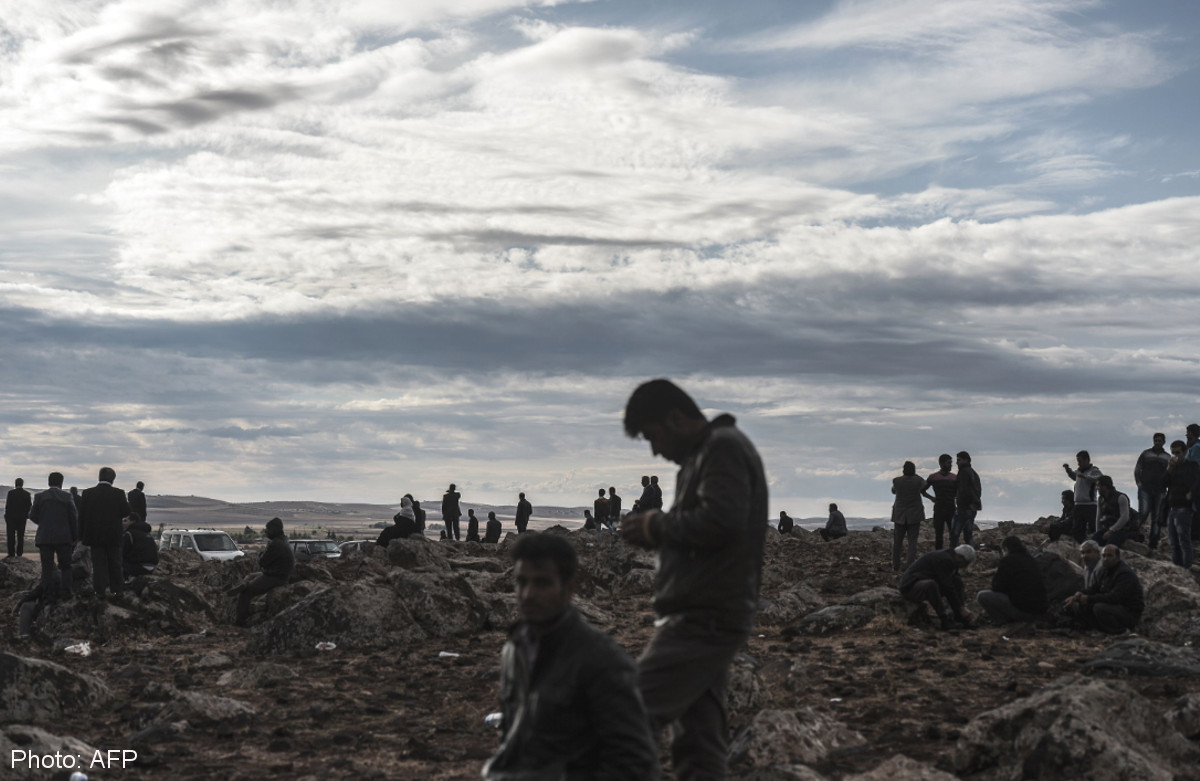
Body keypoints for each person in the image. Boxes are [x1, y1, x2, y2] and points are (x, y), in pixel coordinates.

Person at [619, 379, 768, 781]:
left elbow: (721, 521)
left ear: (675, 418)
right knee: (699, 744)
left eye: (653, 436)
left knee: (627, 716)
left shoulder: (722, 448)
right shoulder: (708, 453)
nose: (655, 450)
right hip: (710, 612)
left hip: (704, 617)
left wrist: (654, 527)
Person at [482, 533, 659, 780]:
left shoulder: (602, 661)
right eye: (521, 582)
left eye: (542, 583)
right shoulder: (514, 650)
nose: (528, 594)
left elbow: (636, 763)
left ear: (569, 588)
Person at [1063, 544, 1144, 634]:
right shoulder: (1106, 570)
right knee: (1079, 605)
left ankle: (1120, 631)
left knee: (1099, 608)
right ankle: (1098, 629)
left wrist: (1088, 599)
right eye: (1104, 556)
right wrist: (1079, 594)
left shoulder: (1124, 574)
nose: (1106, 558)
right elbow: (1095, 588)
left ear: (1117, 557)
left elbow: (1115, 597)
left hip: (1128, 612)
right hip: (1114, 607)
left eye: (1109, 556)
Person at [79, 467, 130, 599]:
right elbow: (126, 511)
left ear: (99, 477)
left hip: (95, 536)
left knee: (98, 564)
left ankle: (99, 591)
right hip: (113, 535)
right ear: (113, 479)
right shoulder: (119, 493)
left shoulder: (88, 493)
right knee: (115, 563)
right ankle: (117, 590)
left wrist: (81, 536)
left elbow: (81, 515)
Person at [28, 472, 78, 602]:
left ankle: (48, 595)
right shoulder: (67, 497)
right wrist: (74, 537)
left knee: (47, 568)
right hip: (64, 537)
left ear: (48, 482)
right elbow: (73, 518)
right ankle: (66, 593)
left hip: (45, 537)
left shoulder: (40, 496)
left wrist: (43, 523)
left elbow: (32, 515)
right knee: (65, 566)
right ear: (61, 483)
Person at [235, 517, 295, 627]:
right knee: (250, 576)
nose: (266, 532)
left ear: (274, 530)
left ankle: (240, 622)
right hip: (280, 574)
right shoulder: (284, 540)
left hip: (276, 577)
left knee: (246, 592)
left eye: (268, 529)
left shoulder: (275, 544)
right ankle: (242, 584)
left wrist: (261, 554)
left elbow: (262, 562)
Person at [899, 545, 976, 630]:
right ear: (961, 558)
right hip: (910, 587)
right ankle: (944, 620)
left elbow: (952, 583)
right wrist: (960, 608)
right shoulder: (946, 560)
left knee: (957, 581)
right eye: (966, 563)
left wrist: (960, 606)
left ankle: (959, 617)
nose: (964, 567)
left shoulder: (952, 558)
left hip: (923, 581)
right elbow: (947, 587)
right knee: (930, 585)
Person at [976, 536, 1048, 625]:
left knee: (982, 596)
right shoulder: (1031, 559)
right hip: (1040, 610)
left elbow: (997, 587)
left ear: (1006, 549)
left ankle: (1000, 620)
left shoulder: (1007, 561)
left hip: (1023, 611)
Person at [1165, 440, 1200, 569]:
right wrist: (1169, 469)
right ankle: (1177, 568)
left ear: (1184, 452)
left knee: (1183, 539)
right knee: (1173, 541)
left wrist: (1191, 493)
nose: (1175, 456)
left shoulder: (1191, 465)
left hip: (1184, 507)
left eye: (1178, 453)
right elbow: (1164, 483)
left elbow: (1197, 480)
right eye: (1173, 453)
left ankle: (1187, 567)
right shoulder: (1173, 468)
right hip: (1173, 506)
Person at [1135, 433, 1170, 550]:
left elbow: (1169, 473)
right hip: (1145, 488)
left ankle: (1153, 543)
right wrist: (1139, 483)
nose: (1157, 442)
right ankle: (1134, 534)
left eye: (1159, 440)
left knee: (1157, 517)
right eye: (1155, 440)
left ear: (1164, 442)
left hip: (1160, 490)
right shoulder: (1146, 454)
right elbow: (1138, 468)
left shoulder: (1167, 457)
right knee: (1143, 513)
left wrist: (1167, 487)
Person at [891, 461, 925, 571]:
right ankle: (910, 565)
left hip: (900, 514)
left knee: (897, 542)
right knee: (912, 542)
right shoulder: (918, 481)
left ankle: (895, 565)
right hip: (914, 514)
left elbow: (893, 491)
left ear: (903, 470)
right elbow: (924, 485)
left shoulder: (896, 481)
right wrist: (916, 475)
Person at [1063, 450, 1102, 542]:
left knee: (1093, 527)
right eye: (1078, 461)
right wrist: (1068, 470)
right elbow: (1074, 476)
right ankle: (1080, 545)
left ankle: (1095, 544)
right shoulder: (1079, 471)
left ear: (1087, 460)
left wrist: (1085, 477)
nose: (1078, 463)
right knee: (1077, 529)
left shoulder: (1094, 471)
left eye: (1080, 461)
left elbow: (1099, 479)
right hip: (1078, 504)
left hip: (1090, 504)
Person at [922, 455, 957, 550]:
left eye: (951, 463)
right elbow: (922, 490)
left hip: (950, 508)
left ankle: (953, 554)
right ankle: (939, 554)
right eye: (948, 463)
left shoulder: (954, 478)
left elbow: (959, 492)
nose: (950, 465)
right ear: (941, 463)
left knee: (953, 533)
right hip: (940, 508)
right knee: (939, 534)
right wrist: (932, 498)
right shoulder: (933, 477)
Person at [1092, 475, 1137, 548]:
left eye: (1098, 486)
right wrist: (1098, 532)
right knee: (1092, 544)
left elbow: (1124, 517)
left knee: (1110, 546)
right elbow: (1098, 517)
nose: (1096, 488)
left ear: (1104, 487)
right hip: (1106, 528)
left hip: (1122, 529)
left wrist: (1111, 530)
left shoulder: (1121, 497)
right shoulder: (1100, 499)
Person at [950, 451, 981, 548]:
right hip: (972, 507)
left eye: (959, 460)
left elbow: (963, 490)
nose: (957, 462)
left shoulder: (963, 472)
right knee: (968, 534)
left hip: (964, 507)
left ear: (966, 460)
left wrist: (966, 503)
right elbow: (978, 490)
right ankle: (970, 554)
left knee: (954, 534)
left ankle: (953, 554)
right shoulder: (973, 472)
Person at [120, 512, 158, 582]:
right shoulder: (146, 534)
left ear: (133, 521)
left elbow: (122, 552)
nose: (123, 523)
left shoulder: (130, 534)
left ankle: (125, 582)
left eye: (125, 521)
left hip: (138, 567)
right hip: (152, 567)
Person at [5, 477, 32, 558]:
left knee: (11, 536)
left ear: (15, 484)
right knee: (20, 536)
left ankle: (11, 553)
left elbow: (8, 506)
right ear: (22, 484)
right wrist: (26, 516)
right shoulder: (27, 494)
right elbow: (29, 506)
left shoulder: (11, 493)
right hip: (22, 518)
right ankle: (19, 553)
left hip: (11, 518)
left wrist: (7, 516)